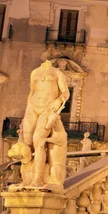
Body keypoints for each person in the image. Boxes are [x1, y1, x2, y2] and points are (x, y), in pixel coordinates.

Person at [20, 60, 70, 188]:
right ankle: (27, 177)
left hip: (48, 108)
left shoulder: (57, 72)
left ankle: (38, 178)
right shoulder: (35, 72)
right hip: (32, 107)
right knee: (27, 142)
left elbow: (66, 92)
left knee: (39, 140)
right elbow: (32, 91)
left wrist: (58, 100)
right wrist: (27, 107)